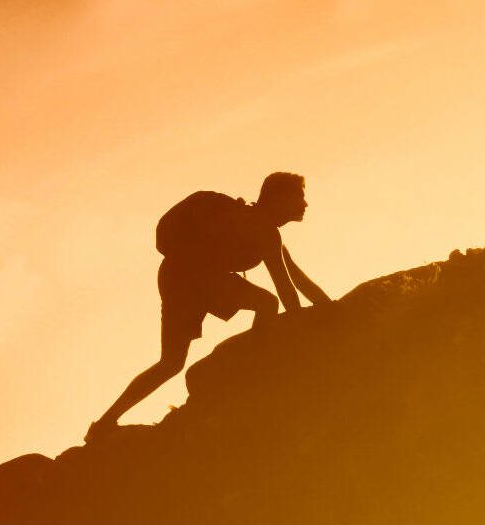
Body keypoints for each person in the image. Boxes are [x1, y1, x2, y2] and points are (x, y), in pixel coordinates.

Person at [86, 172, 331, 442]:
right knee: (267, 303)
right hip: (195, 278)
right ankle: (256, 371)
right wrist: (305, 327)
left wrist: (331, 308)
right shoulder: (263, 229)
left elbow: (297, 280)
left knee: (170, 363)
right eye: (300, 197)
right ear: (278, 198)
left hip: (175, 275)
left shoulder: (262, 229)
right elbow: (285, 287)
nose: (305, 205)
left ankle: (104, 424)